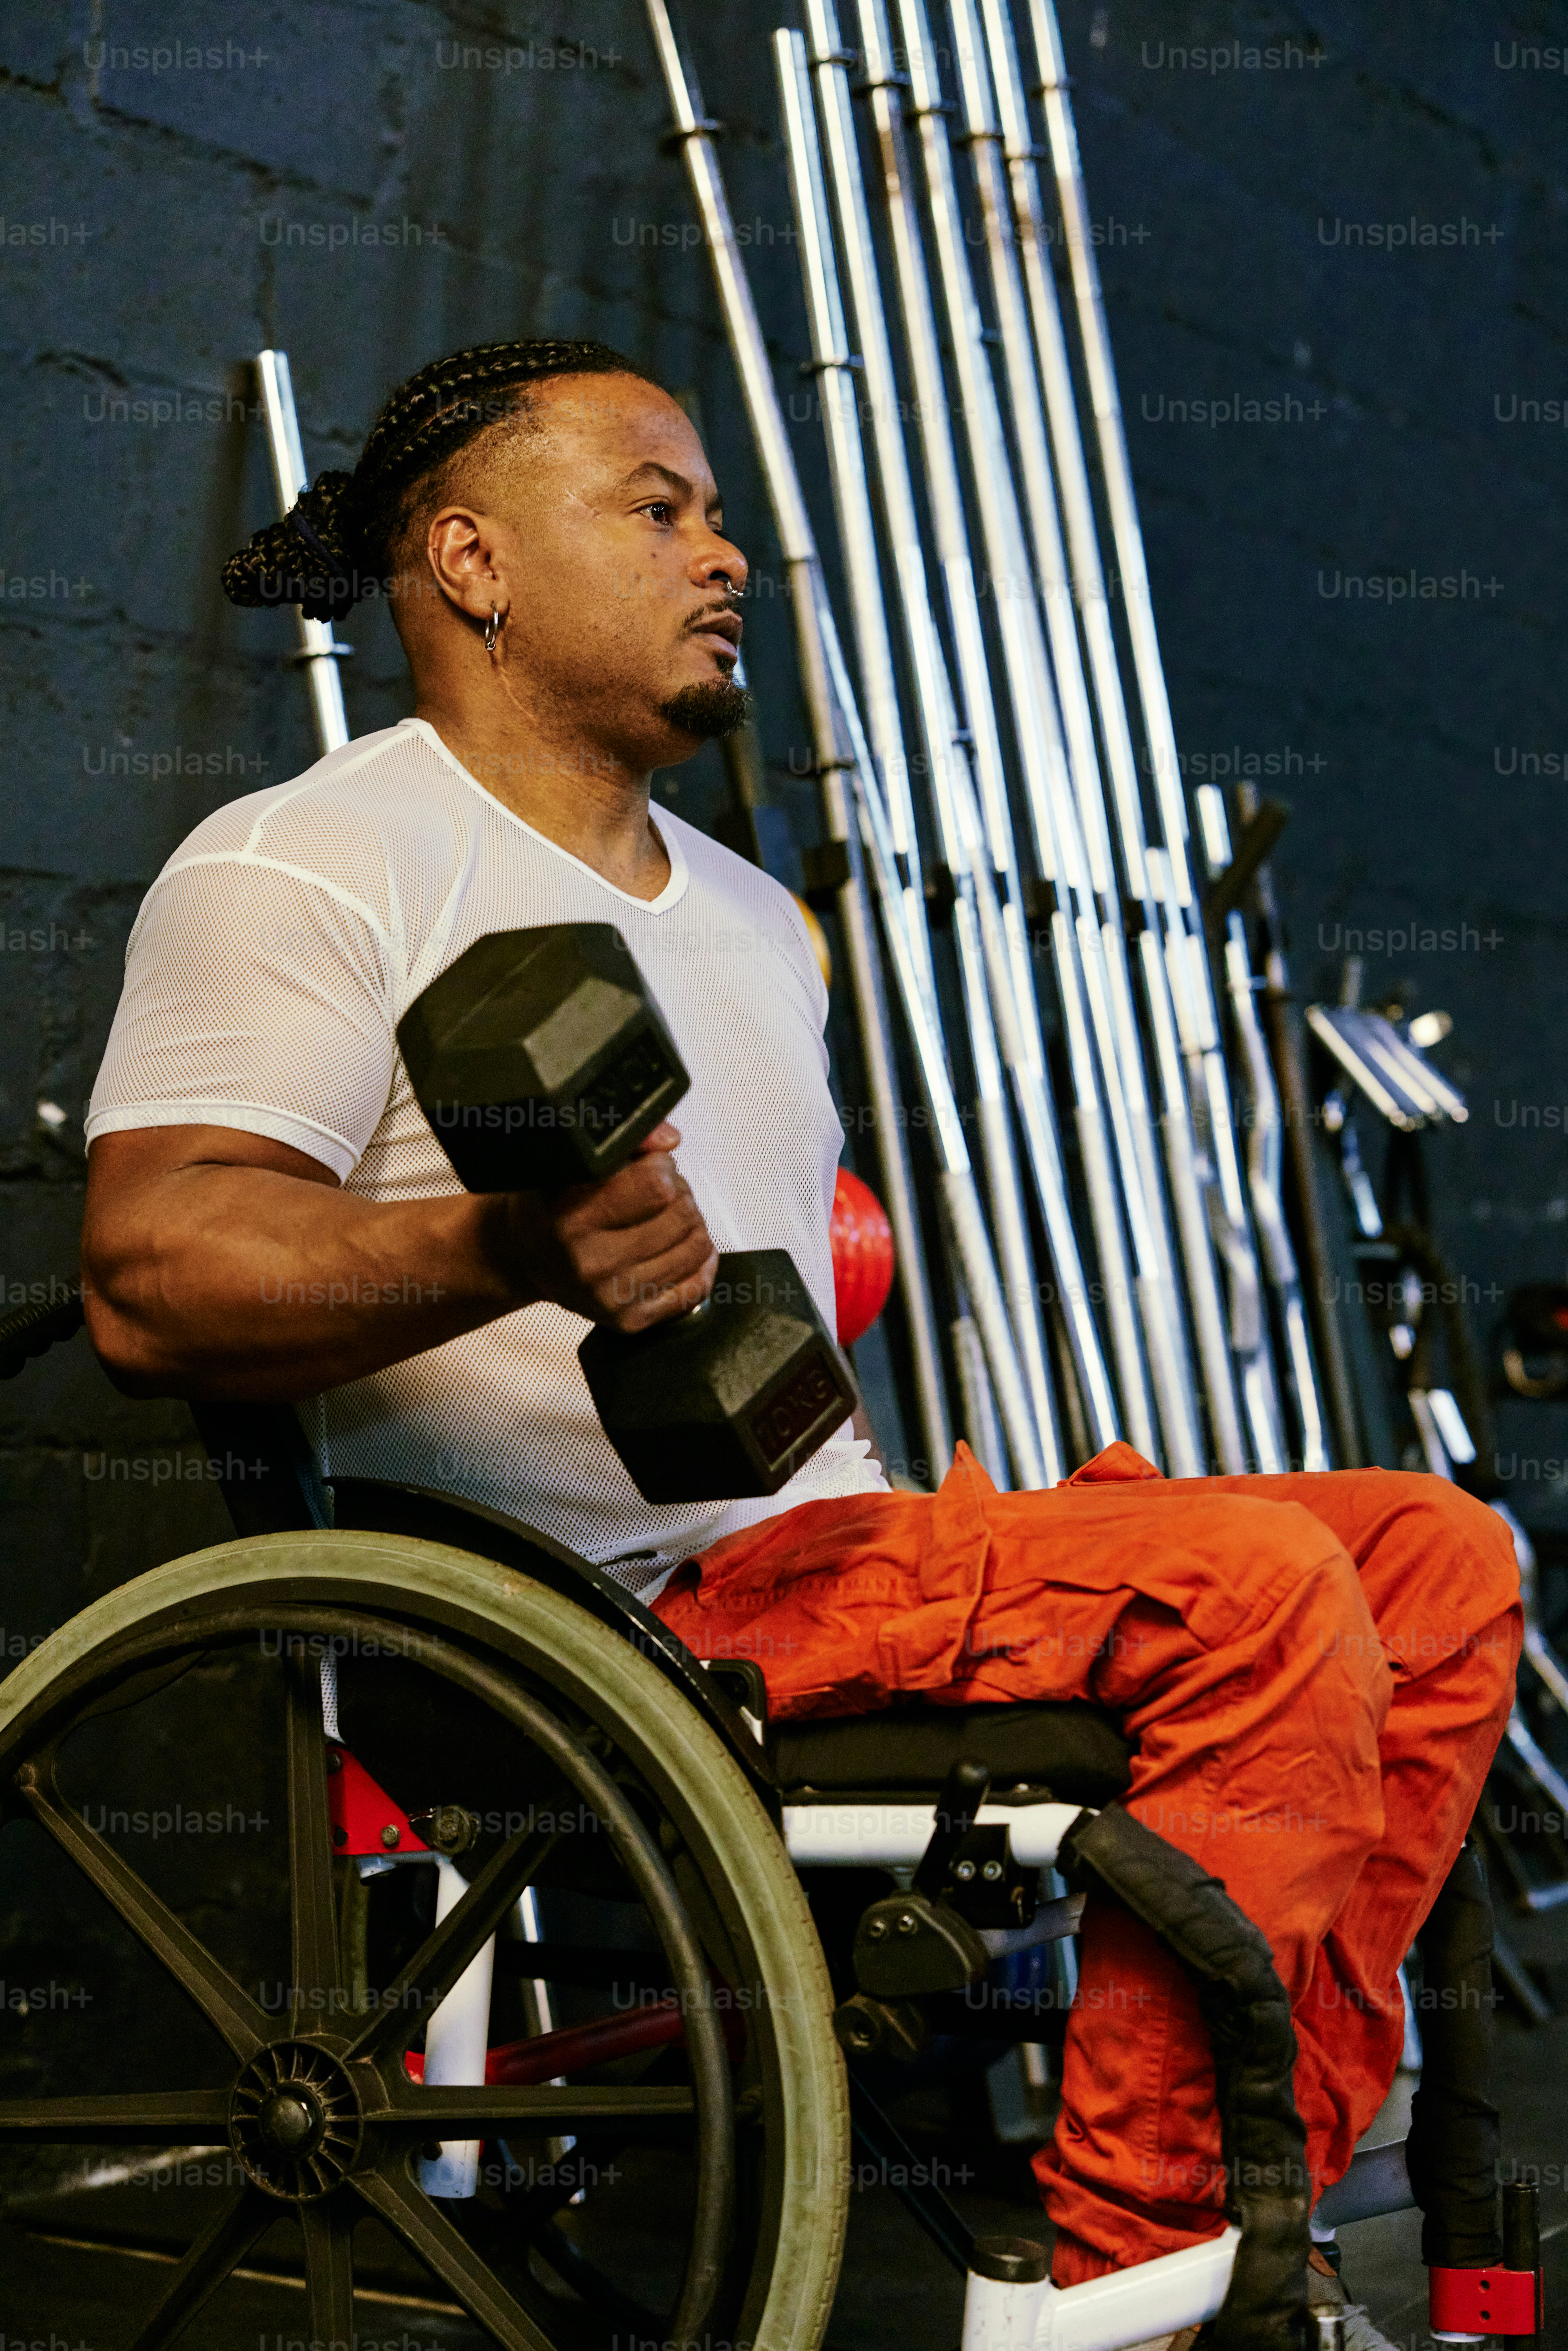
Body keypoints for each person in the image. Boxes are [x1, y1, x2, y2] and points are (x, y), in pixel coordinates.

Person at [81, 339, 1518, 2351]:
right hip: (593, 1625)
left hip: (819, 1562)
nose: (726, 554)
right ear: (471, 559)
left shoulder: (757, 915)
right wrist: (513, 1242)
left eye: (721, 512)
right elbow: (153, 1274)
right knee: (1267, 1597)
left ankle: (1238, 2195)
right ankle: (1137, 2278)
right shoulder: (309, 864)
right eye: (655, 507)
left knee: (1439, 1555)